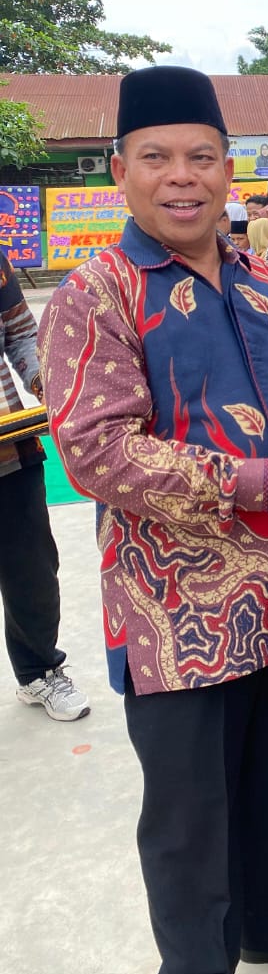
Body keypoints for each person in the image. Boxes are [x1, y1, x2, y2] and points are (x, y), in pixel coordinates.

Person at [37, 65, 268, 974]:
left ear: (231, 170)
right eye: (157, 158)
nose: (181, 177)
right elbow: (98, 451)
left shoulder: (263, 280)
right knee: (191, 828)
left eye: (201, 157)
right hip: (178, 622)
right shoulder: (98, 294)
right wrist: (257, 481)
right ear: (121, 170)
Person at [0, 251, 88, 722]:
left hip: (8, 448)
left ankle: (39, 672)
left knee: (31, 570)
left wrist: (43, 381)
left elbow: (19, 333)